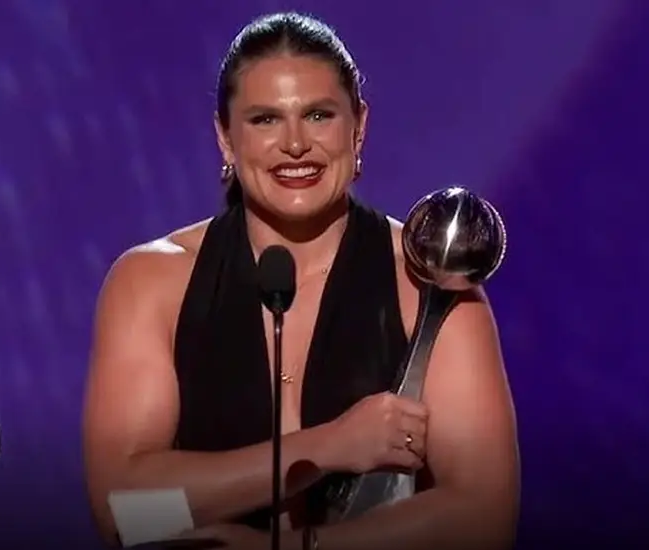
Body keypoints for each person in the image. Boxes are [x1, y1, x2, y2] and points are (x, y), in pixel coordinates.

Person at [82, 11, 519, 550]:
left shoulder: (430, 283)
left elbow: (483, 521)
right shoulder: (150, 283)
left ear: (359, 126)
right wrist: (330, 446)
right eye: (265, 119)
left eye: (318, 115)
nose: (294, 144)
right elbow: (123, 514)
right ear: (224, 138)